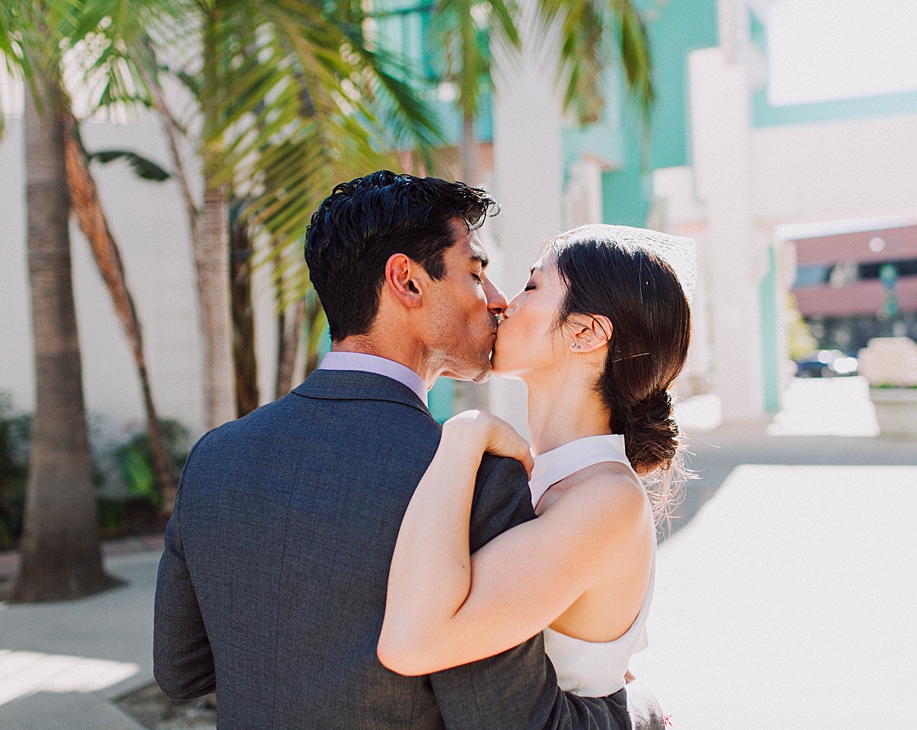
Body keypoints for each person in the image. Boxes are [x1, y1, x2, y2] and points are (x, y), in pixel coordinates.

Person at [153, 171, 642, 729]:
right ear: (407, 282)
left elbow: (180, 671)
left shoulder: (215, 458)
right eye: (476, 274)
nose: (498, 300)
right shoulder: (474, 481)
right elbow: (503, 720)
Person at [377, 224, 693, 721]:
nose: (504, 305)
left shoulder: (607, 497)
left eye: (532, 287)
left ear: (585, 331)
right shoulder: (555, 478)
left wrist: (464, 434)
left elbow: (411, 643)